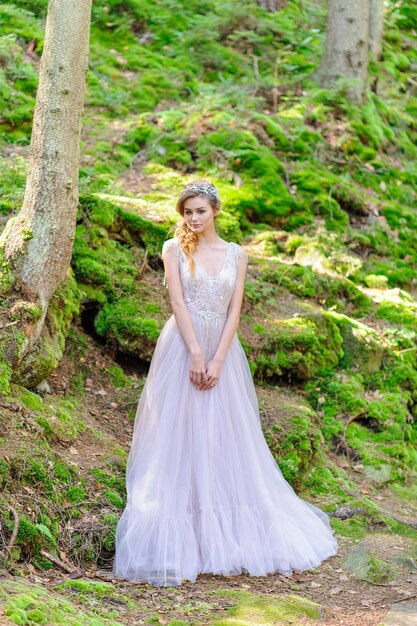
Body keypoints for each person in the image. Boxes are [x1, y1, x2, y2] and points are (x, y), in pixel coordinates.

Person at [112, 180, 337, 586]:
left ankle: (224, 537)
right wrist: (196, 353)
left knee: (223, 435)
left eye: (200, 210)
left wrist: (217, 358)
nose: (193, 218)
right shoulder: (173, 249)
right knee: (179, 433)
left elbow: (234, 311)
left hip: (225, 352)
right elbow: (178, 302)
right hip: (182, 345)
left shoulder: (238, 254)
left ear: (215, 210)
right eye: (187, 212)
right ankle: (186, 539)